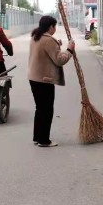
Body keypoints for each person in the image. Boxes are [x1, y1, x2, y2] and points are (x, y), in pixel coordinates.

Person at [27, 15, 75, 147]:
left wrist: (57, 45)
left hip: (34, 78)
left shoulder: (36, 37)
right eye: (54, 26)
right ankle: (44, 140)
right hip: (44, 80)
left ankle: (38, 137)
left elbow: (45, 52)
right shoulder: (48, 40)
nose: (55, 29)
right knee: (47, 110)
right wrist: (70, 49)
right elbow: (60, 60)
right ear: (50, 27)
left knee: (40, 109)